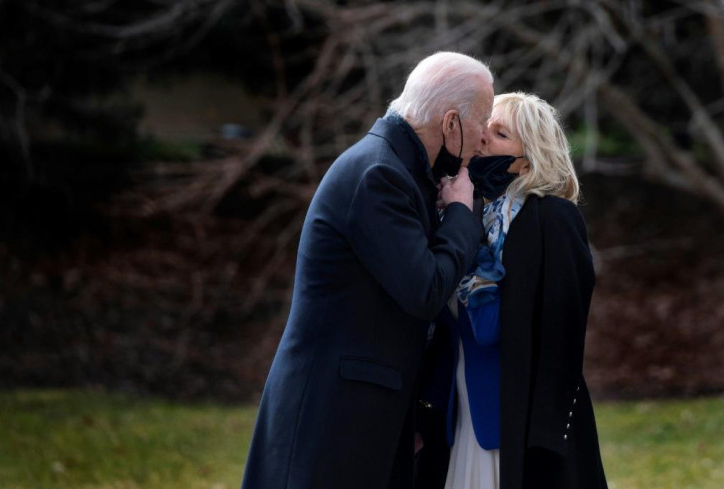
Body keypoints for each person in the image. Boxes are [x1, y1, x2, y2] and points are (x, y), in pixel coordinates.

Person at [241, 52, 495, 489]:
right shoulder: (380, 174)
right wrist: (460, 214)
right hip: (331, 422)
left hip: (359, 418)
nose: (484, 139)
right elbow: (425, 289)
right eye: (482, 121)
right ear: (451, 123)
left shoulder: (400, 172)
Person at [416, 92, 607, 489]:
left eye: (500, 133)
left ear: (530, 157)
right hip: (462, 421)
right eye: (483, 128)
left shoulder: (552, 218)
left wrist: (544, 438)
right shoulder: (461, 219)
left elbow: (564, 334)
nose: (482, 138)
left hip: (521, 432)